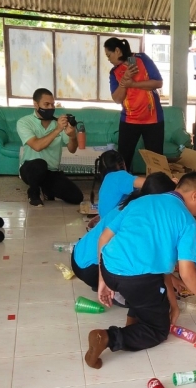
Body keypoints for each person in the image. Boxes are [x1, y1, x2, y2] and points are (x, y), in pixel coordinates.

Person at [85, 172, 196, 369]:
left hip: (110, 269)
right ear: (195, 195)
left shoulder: (141, 201)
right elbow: (186, 273)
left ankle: (135, 319)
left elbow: (103, 239)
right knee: (158, 330)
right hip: (137, 280)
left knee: (150, 291)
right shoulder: (186, 221)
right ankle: (108, 337)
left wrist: (103, 279)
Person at [72, 172, 175, 292]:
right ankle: (113, 287)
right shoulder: (143, 217)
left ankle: (107, 284)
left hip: (77, 256)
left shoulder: (131, 202)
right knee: (146, 276)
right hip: (91, 269)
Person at [104, 38, 164, 172]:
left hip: (153, 119)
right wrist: (125, 80)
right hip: (129, 120)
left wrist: (133, 84)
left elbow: (158, 83)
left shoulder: (142, 59)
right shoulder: (114, 72)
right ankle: (124, 184)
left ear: (117, 51)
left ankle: (156, 184)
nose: (108, 59)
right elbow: (117, 99)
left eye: (109, 55)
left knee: (156, 161)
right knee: (123, 160)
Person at [16, 88, 83, 207]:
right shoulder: (24, 122)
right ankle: (33, 192)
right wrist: (57, 130)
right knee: (39, 164)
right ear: (36, 104)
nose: (51, 107)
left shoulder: (58, 122)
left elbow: (72, 150)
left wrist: (73, 136)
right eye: (46, 104)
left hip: (51, 171)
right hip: (30, 169)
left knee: (77, 197)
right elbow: (37, 146)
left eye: (52, 104)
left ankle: (46, 189)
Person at [92, 150, 145, 218]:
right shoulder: (120, 176)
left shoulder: (107, 179)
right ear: (123, 164)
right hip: (116, 222)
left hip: (106, 221)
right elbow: (150, 183)